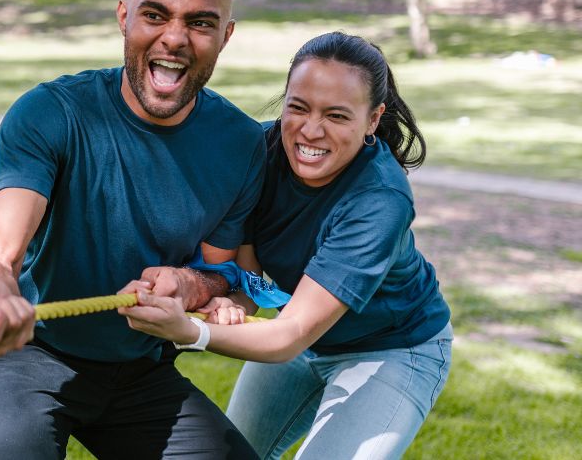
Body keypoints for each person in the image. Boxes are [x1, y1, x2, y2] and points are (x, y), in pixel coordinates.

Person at [0, 0, 263, 459]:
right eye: (154, 15)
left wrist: (191, 283)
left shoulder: (242, 144)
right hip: (28, 354)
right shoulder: (49, 114)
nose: (174, 38)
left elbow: (228, 279)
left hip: (140, 371)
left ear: (226, 36)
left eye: (201, 23)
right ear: (124, 17)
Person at [120, 32, 452, 460]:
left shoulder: (380, 200)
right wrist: (232, 301)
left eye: (336, 115)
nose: (310, 131)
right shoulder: (259, 153)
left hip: (391, 347)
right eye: (298, 107)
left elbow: (290, 334)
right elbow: (254, 279)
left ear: (373, 119)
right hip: (301, 332)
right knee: (229, 454)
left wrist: (191, 331)